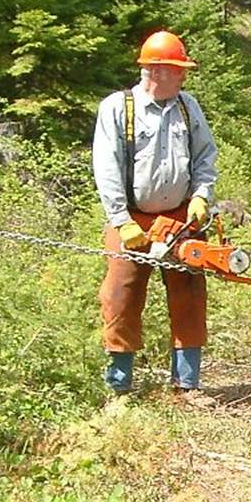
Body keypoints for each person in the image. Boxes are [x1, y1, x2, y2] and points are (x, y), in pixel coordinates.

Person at [92, 30, 219, 394]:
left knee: (190, 295)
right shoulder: (118, 108)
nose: (174, 75)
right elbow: (107, 168)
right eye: (158, 68)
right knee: (121, 296)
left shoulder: (186, 106)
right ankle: (120, 386)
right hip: (132, 218)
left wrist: (200, 197)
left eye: (176, 70)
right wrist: (121, 221)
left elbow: (205, 156)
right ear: (150, 70)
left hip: (181, 218)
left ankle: (187, 384)